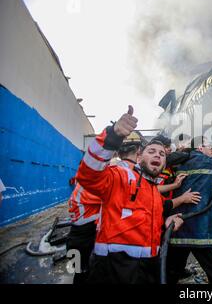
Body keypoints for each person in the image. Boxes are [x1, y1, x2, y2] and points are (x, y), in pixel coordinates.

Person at [76, 106, 183, 284]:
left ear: (164, 163)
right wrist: (113, 136)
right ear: (139, 157)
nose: (157, 154)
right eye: (152, 151)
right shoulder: (121, 176)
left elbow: (146, 223)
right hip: (113, 271)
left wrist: (166, 224)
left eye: (162, 154)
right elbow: (88, 175)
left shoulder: (154, 192)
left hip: (147, 270)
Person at [66, 131, 145, 284]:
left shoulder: (97, 173)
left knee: (76, 271)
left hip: (76, 233)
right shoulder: (119, 174)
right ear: (138, 151)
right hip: (87, 233)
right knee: (86, 273)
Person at [167, 136, 212, 284]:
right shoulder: (208, 162)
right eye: (209, 146)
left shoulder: (177, 163)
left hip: (178, 230)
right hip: (204, 231)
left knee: (171, 273)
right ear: (200, 147)